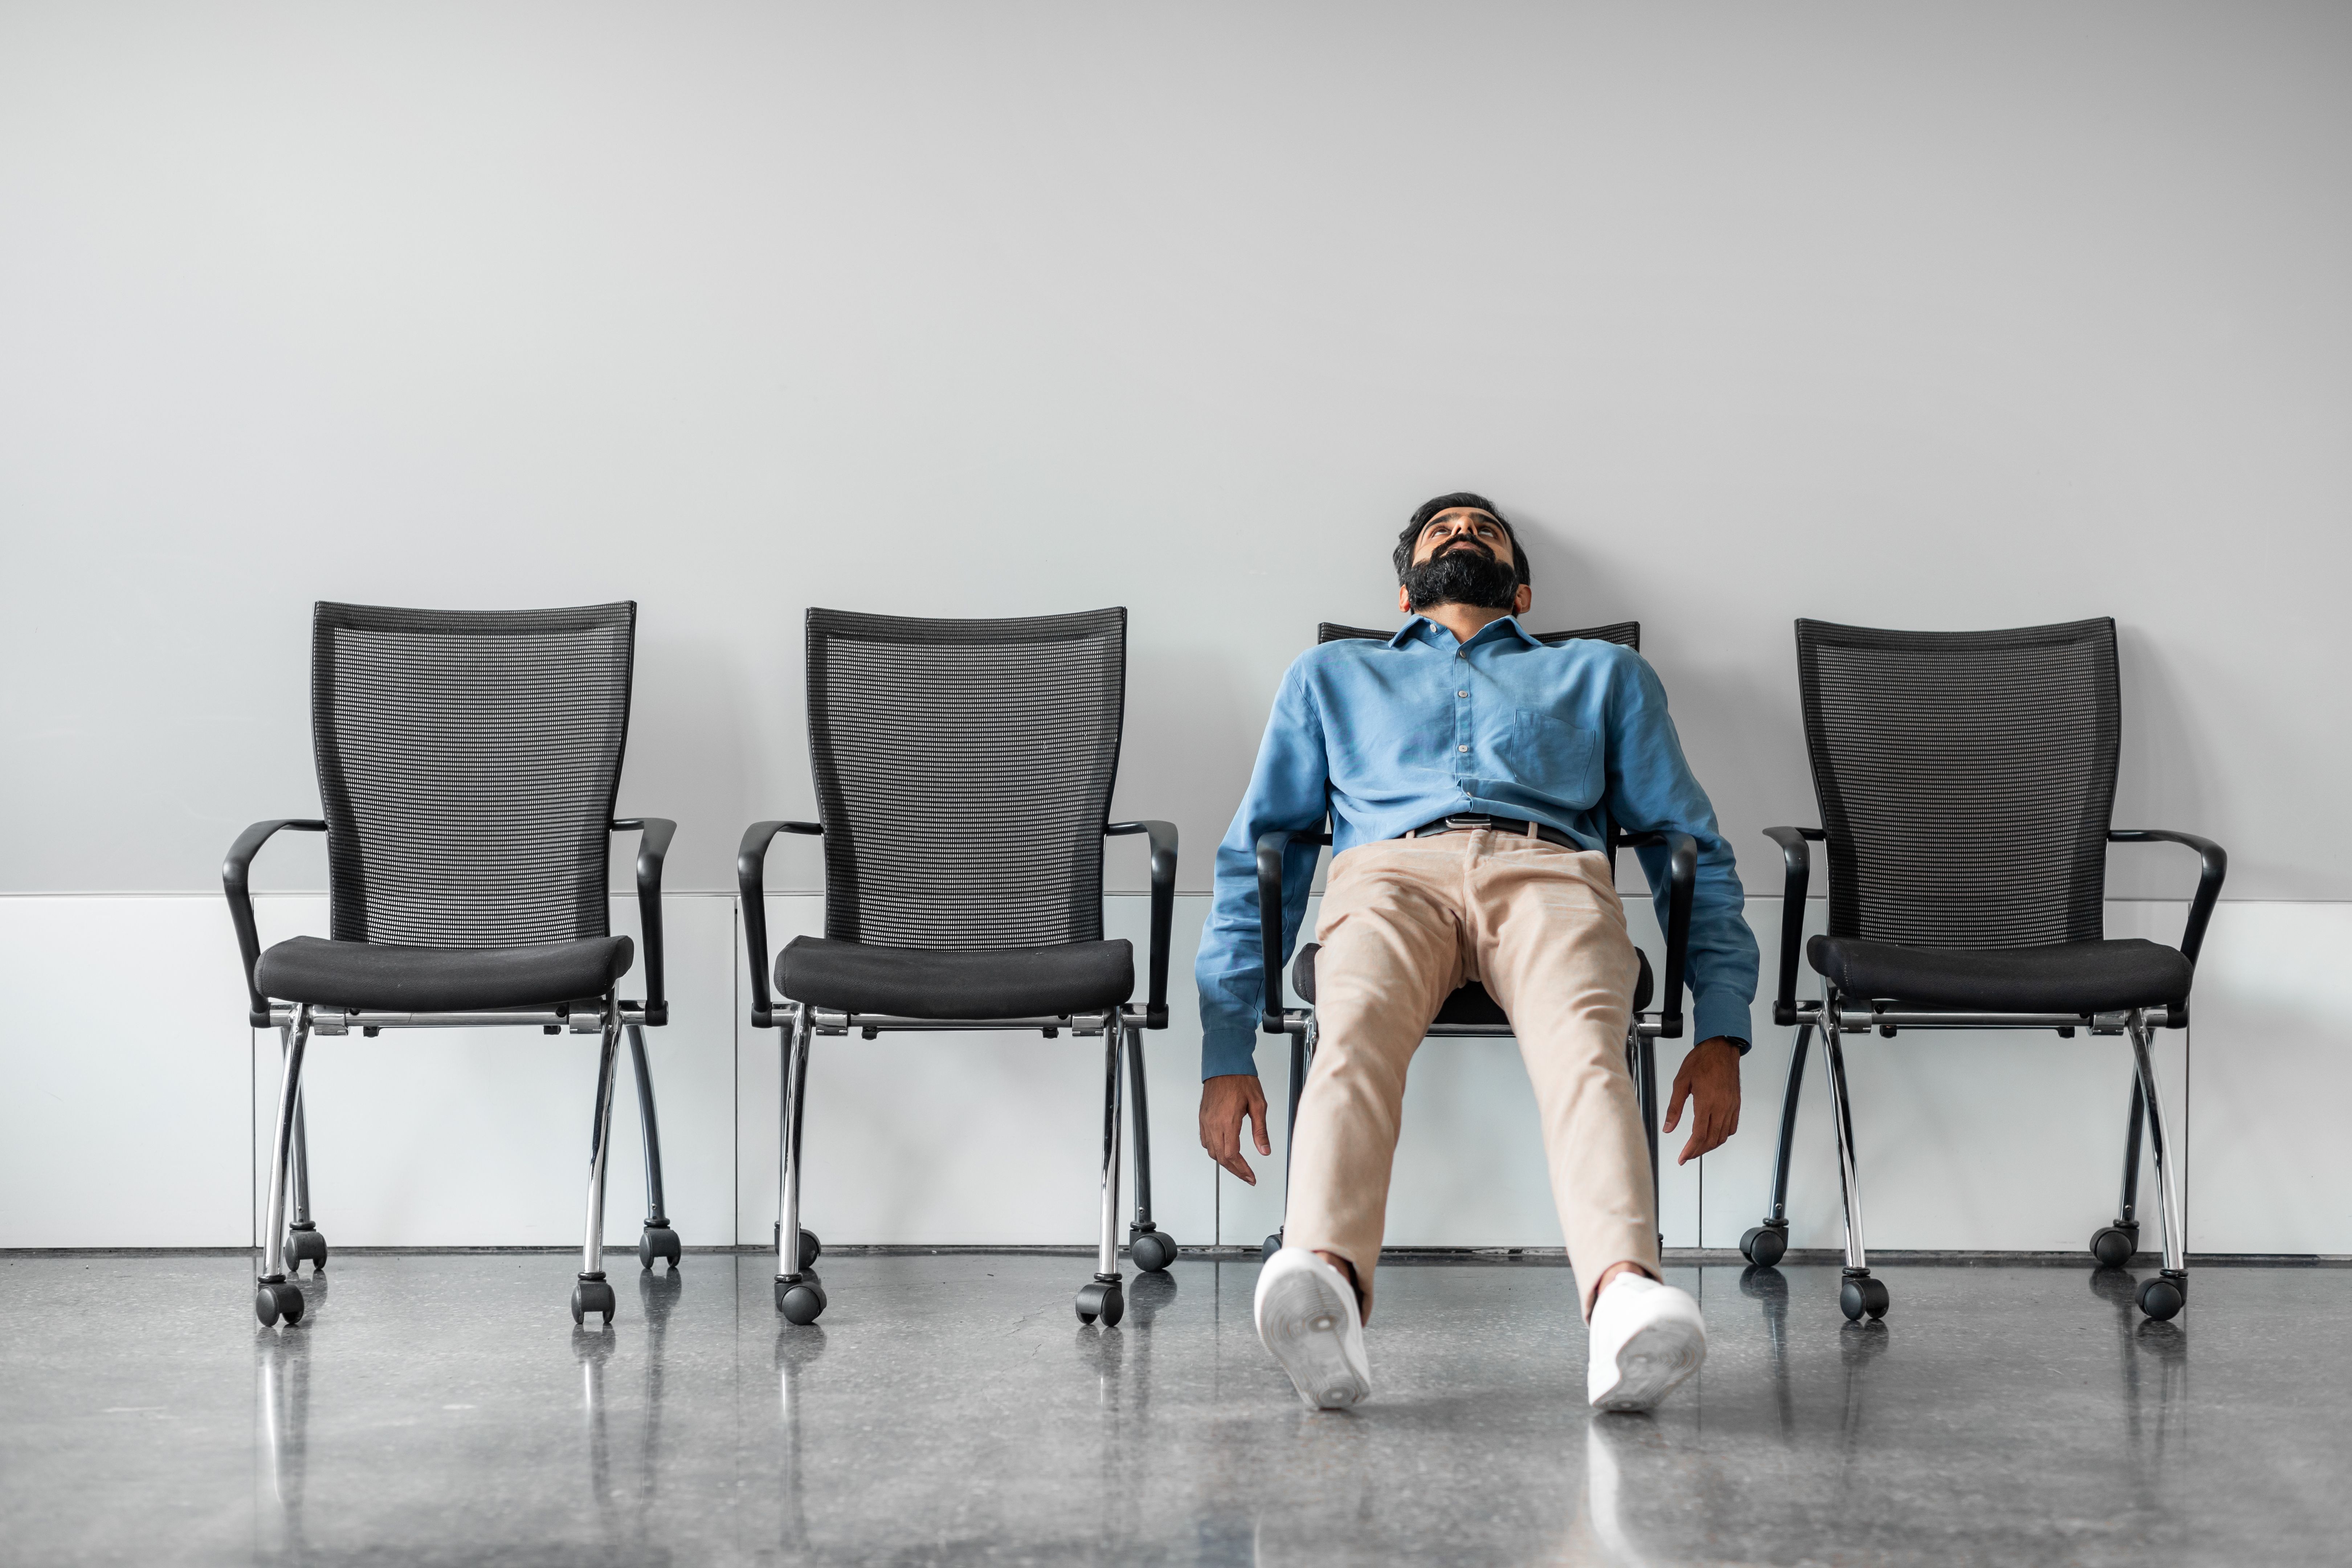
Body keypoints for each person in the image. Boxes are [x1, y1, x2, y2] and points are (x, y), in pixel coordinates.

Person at [1194, 493, 1759, 1413]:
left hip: (1551, 874)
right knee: (1354, 1030)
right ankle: (1322, 1283)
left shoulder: (1604, 673)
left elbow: (1690, 846)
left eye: (1485, 530)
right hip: (1386, 876)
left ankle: (1624, 1301)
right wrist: (1227, 1049)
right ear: (1405, 590)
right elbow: (1259, 852)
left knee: (1586, 1049)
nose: (1463, 533)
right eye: (1442, 529)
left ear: (1523, 592)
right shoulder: (1329, 675)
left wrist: (1721, 1028)